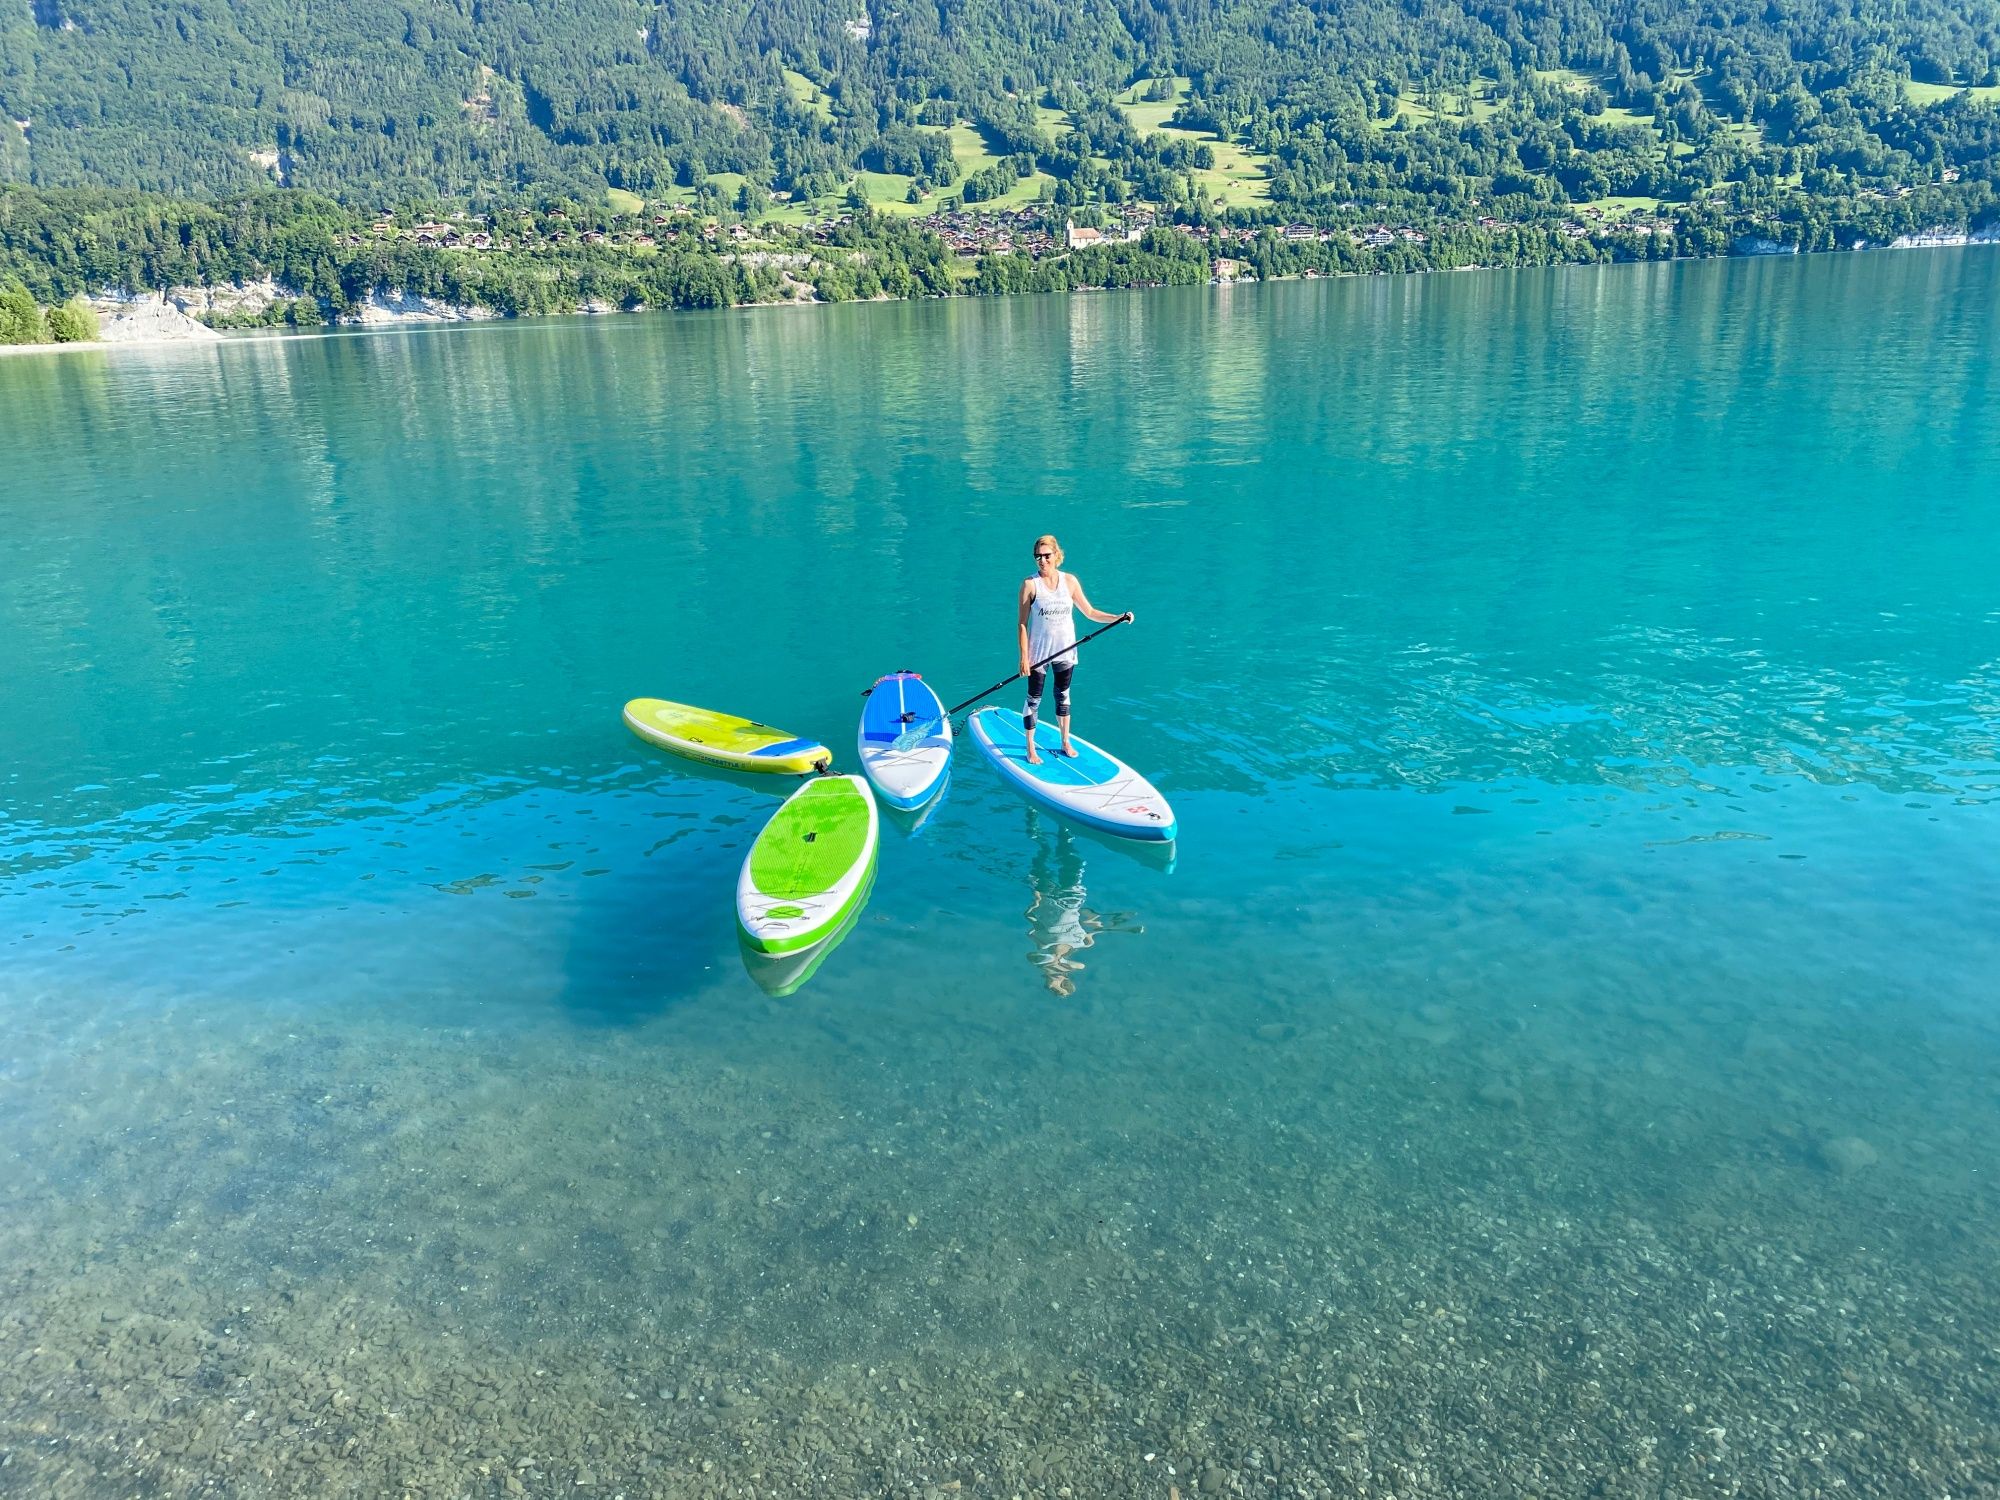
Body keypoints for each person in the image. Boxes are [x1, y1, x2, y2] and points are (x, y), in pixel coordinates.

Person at [1016, 534, 1132, 765]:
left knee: (1063, 696)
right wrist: (1023, 658)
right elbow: (1022, 623)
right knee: (1034, 699)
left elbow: (1090, 612)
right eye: (1038, 556)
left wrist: (1116, 618)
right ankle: (1030, 747)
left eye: (1047, 556)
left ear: (1056, 556)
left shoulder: (1069, 582)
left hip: (1066, 650)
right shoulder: (1030, 585)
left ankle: (1065, 741)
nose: (1042, 560)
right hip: (1038, 653)